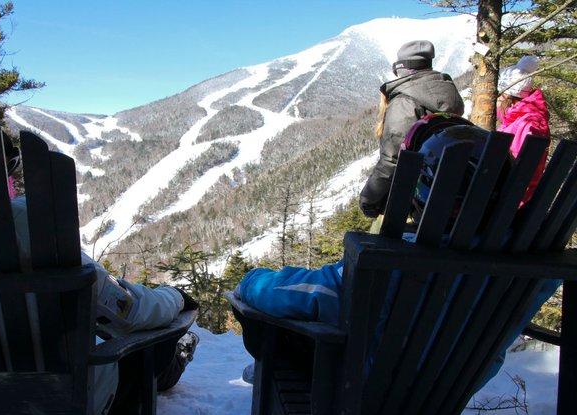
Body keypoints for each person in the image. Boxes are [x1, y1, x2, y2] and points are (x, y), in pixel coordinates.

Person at [0, 117, 199, 415]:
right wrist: (175, 297)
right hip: (64, 409)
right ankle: (176, 357)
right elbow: (128, 311)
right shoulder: (31, 229)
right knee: (154, 344)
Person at [237, 122, 555, 389]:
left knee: (262, 319)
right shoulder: (533, 267)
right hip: (446, 395)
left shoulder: (394, 261)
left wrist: (251, 281)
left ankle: (271, 378)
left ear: (423, 193)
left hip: (367, 394)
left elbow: (305, 294)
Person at [360, 40, 464, 220]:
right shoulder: (448, 97)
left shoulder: (405, 102)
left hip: (424, 204)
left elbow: (393, 159)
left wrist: (368, 199)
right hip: (455, 197)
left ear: (402, 71)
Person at [497, 55, 550, 205]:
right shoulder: (522, 119)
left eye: (500, 95)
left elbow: (517, 171)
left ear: (508, 97)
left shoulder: (527, 123)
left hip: (510, 203)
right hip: (513, 199)